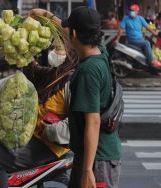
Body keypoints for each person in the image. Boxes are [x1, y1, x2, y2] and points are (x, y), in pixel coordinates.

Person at [0, 9, 80, 188]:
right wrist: (21, 51)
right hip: (30, 135)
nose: (56, 52)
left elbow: (70, 40)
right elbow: (31, 70)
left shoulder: (72, 77)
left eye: (59, 49)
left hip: (48, 143)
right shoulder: (52, 75)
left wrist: (45, 15)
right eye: (54, 48)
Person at [60, 6, 121, 188]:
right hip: (94, 155)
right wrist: (46, 16)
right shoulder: (101, 52)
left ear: (75, 35)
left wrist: (88, 171)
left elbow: (93, 121)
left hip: (97, 160)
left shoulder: (89, 70)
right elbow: (66, 29)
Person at [114, 4, 159, 68]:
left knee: (149, 42)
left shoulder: (140, 18)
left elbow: (147, 27)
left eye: (133, 10)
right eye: (131, 10)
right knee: (146, 43)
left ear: (137, 12)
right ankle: (151, 62)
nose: (131, 12)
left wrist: (154, 33)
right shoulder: (126, 18)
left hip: (140, 39)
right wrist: (117, 39)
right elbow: (121, 30)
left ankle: (146, 61)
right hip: (132, 40)